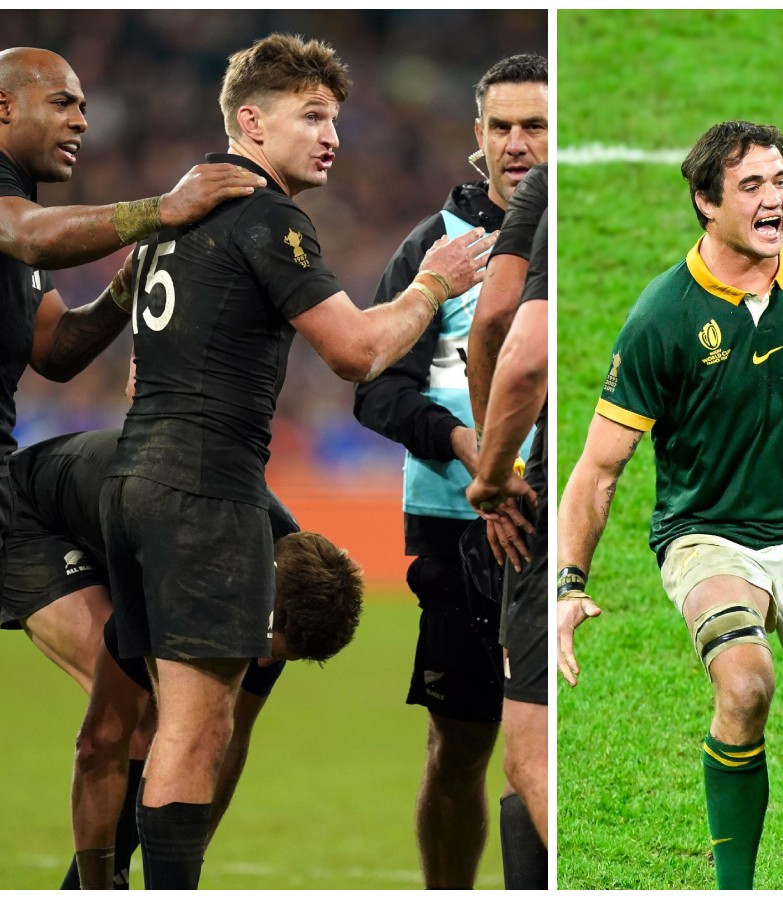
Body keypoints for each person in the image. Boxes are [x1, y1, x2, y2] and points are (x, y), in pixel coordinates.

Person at [0, 46, 266, 890]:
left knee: (134, 694)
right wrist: (162, 210)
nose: (83, 119)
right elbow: (29, 231)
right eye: (65, 103)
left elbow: (56, 351)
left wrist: (127, 286)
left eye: (84, 105)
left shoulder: (18, 217)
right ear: (2, 107)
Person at [100, 33, 494, 889]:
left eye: (336, 118)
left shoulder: (179, 213)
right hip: (203, 488)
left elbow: (138, 367)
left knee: (150, 715)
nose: (332, 136)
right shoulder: (266, 217)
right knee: (195, 731)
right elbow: (355, 353)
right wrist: (430, 286)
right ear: (251, 121)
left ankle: (86, 883)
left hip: (135, 476)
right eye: (311, 115)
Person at [556, 122, 783, 890]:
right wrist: (567, 587)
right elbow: (597, 470)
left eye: (780, 180)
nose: (775, 198)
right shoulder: (662, 318)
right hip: (707, 537)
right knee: (745, 682)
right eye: (752, 186)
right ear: (705, 202)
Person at [0, 427, 363, 889]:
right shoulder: (194, 555)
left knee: (191, 719)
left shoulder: (290, 581)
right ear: (261, 593)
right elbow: (99, 741)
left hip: (123, 523)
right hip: (35, 519)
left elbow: (226, 739)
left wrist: (185, 858)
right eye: (267, 647)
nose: (262, 665)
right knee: (140, 713)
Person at [351, 53, 548, 890]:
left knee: (537, 747)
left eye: (534, 126)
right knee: (458, 746)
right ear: (477, 136)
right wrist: (474, 454)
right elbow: (374, 391)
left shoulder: (559, 240)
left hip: (544, 528)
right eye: (500, 127)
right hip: (454, 526)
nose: (516, 143)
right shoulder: (435, 246)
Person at [467, 161, 551, 856]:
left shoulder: (547, 187)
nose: (518, 145)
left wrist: (496, 476)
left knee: (531, 756)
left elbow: (503, 334)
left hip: (555, 487)